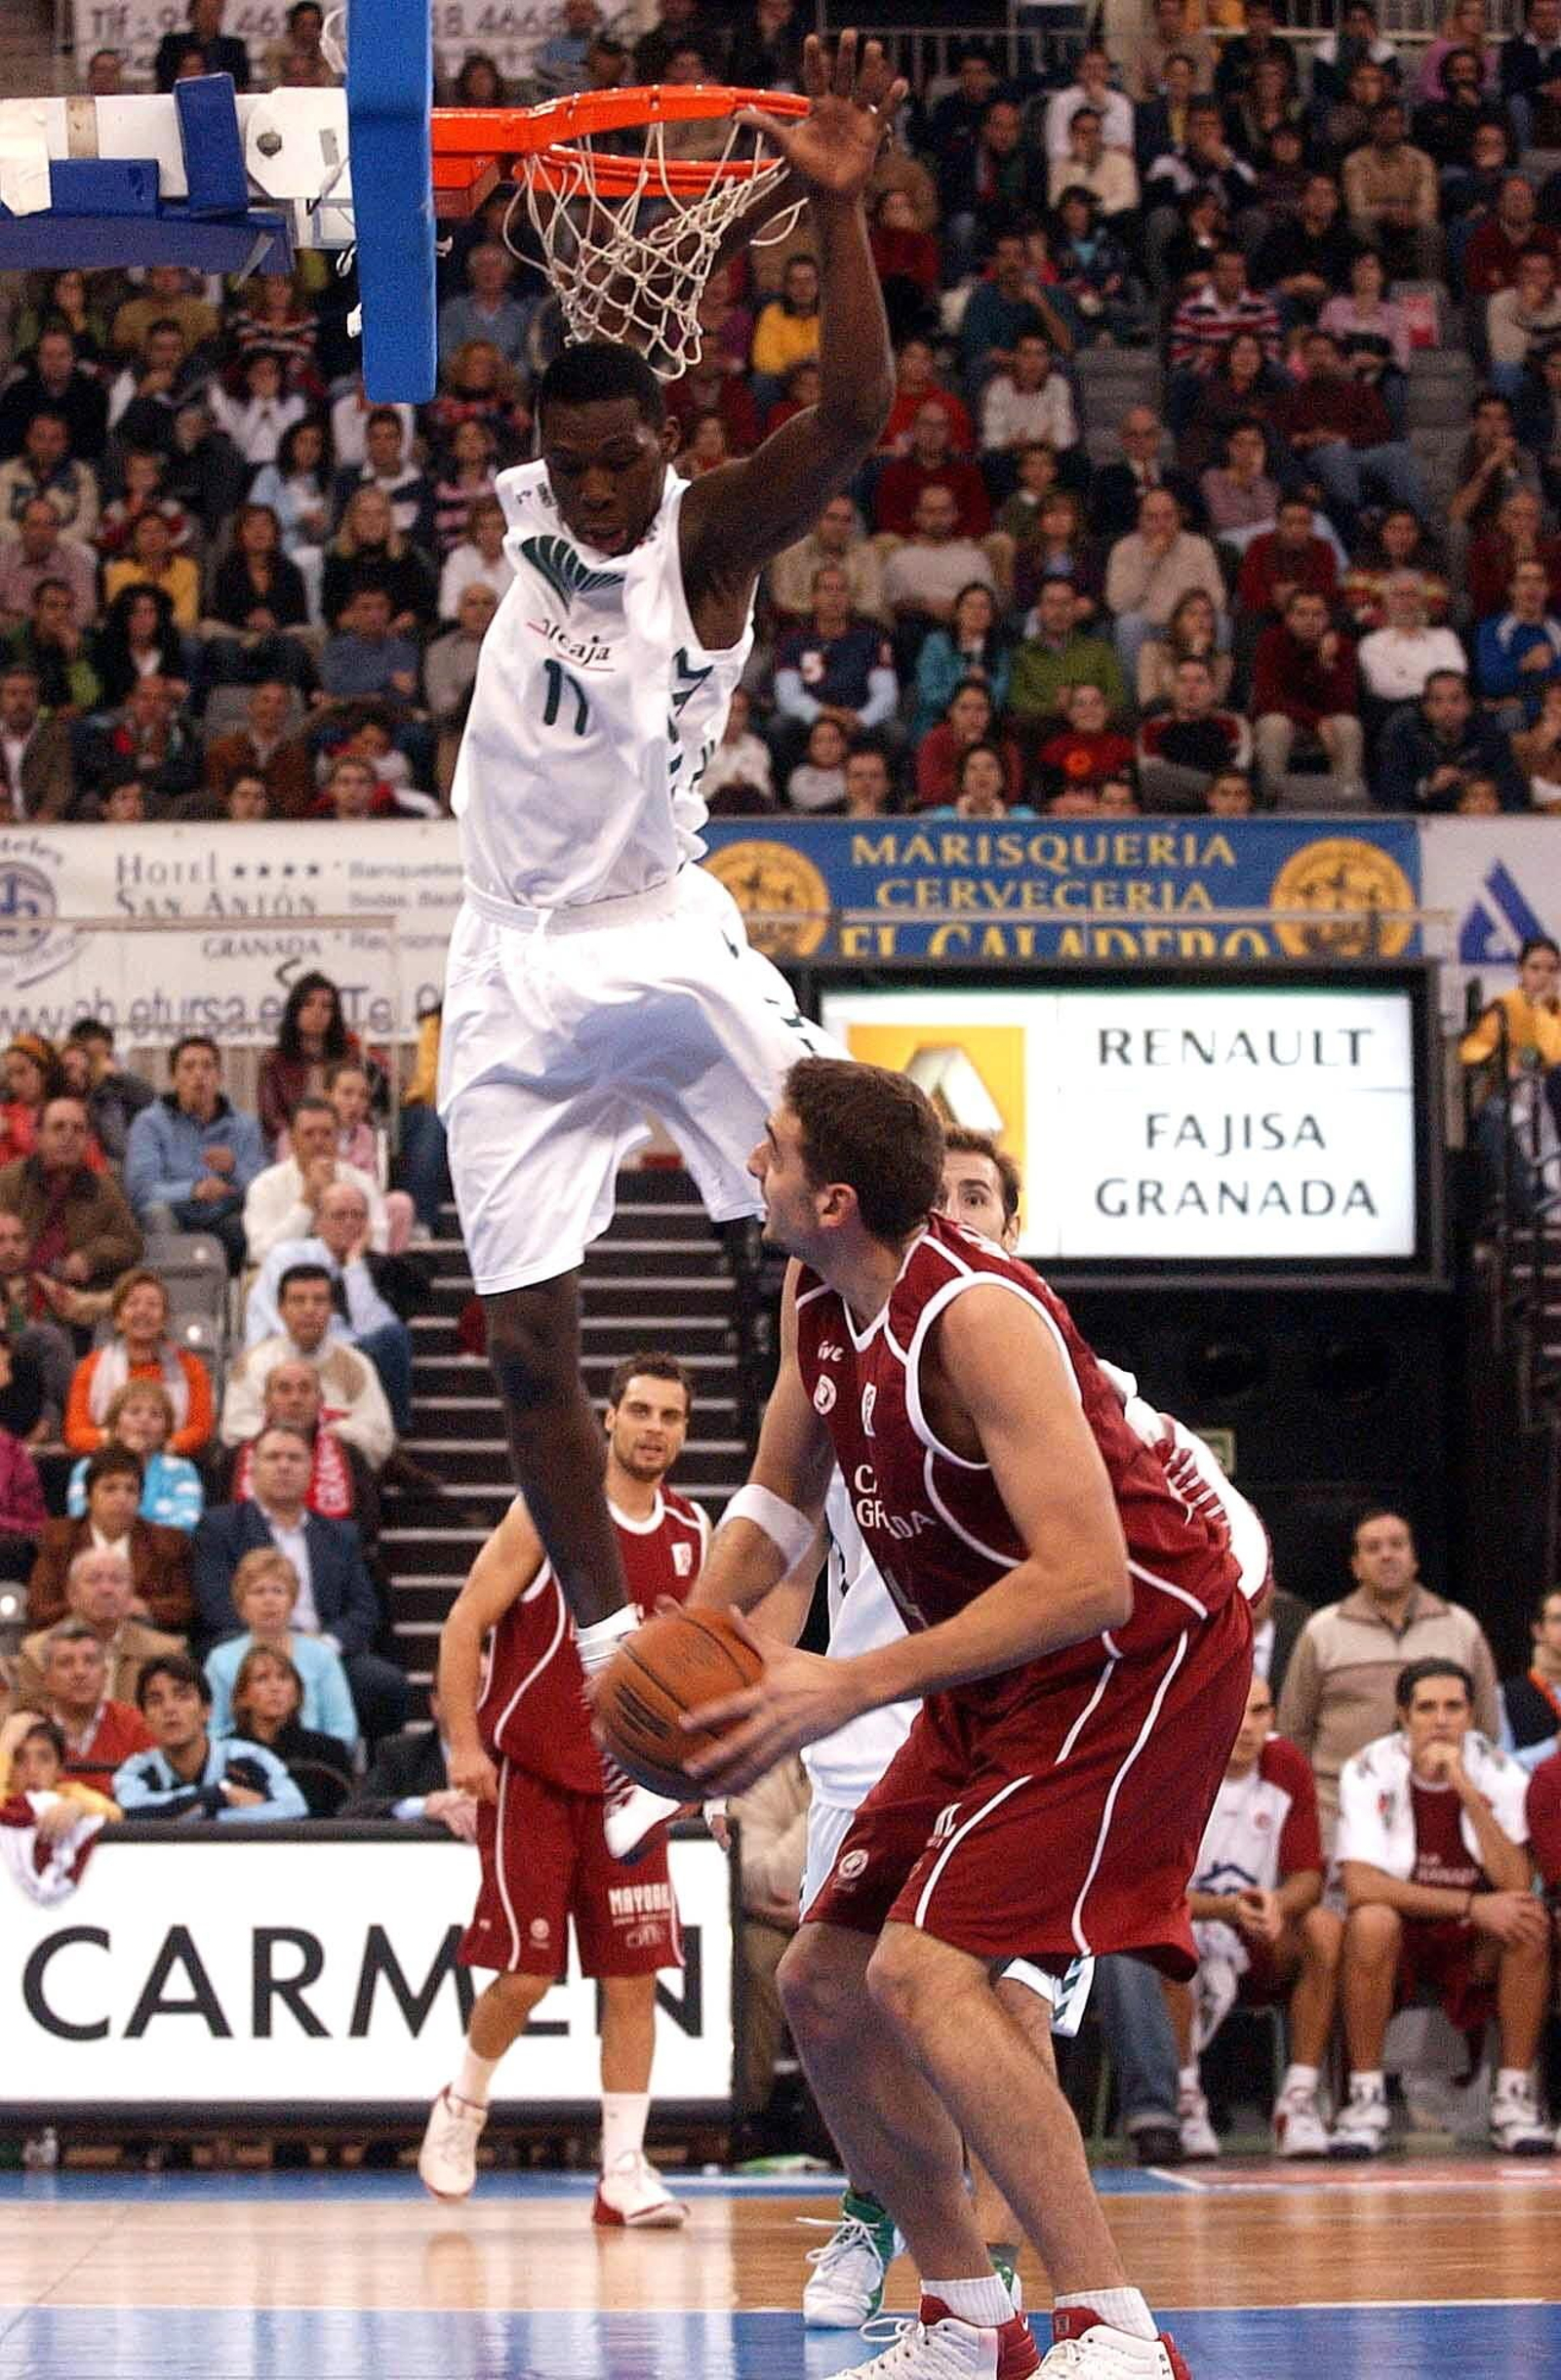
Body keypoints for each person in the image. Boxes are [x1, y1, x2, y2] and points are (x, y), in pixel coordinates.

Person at [436, 35, 908, 1784]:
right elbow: (557, 366)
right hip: (504, 950)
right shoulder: (545, 503)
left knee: (854, 1184)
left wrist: (838, 214)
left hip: (652, 932)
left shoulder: (702, 535)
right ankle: (607, 1640)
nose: (597, 489)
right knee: (523, 1346)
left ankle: (934, 1478)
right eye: (573, 464)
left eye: (623, 459)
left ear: (669, 443)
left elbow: (850, 421)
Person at [673, 1057, 1251, 2380]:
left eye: (772, 1149)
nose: (751, 1164)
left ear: (833, 1196)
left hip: (1133, 1656)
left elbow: (1092, 1578)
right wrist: (686, 1646)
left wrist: (849, 1678)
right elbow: (777, 1497)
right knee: (822, 1981)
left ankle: (1112, 2327)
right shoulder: (815, 1294)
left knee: (926, 1972)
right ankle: (967, 2318)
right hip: (996, 1664)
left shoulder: (977, 1316)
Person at [417, 1353, 710, 2221]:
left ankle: (623, 2170)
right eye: (642, 1410)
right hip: (535, 1775)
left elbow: (695, 1667)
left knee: (636, 1978)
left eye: (671, 1415)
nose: (655, 1427)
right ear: (608, 1418)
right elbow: (464, 1622)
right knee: (523, 1973)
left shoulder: (693, 1528)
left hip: (630, 1788)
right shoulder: (550, 1508)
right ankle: (463, 2104)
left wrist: (702, 1771)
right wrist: (463, 1744)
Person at [1331, 1658, 1552, 2158]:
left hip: (1470, 1941)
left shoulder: (1498, 1770)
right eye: (1427, 1708)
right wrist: (1472, 1903)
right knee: (1370, 1922)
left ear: (1471, 1714)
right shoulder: (1367, 1769)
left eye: (1453, 1707)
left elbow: (1517, 1881)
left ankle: (1514, 2100)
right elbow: (1362, 1885)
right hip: (1402, 1933)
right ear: (1403, 1714)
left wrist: (1466, 1789)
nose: (1441, 1720)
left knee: (1529, 1921)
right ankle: (1365, 2100)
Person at [1164, 1672, 1336, 2161]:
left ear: (1273, 1716)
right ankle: (1186, 2098)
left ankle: (1298, 2101)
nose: (1247, 1726)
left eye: (1259, 1712)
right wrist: (1225, 1909)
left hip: (1260, 1931)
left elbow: (1308, 1877)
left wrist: (1276, 1904)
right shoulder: (1178, 1766)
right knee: (1164, 1942)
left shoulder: (1287, 1764)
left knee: (1324, 1928)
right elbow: (1153, 1890)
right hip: (1189, 1924)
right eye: (1237, 1711)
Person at [1277, 1509, 1501, 1842]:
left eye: (1397, 1545)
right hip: (1340, 1809)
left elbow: (1485, 1726)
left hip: (1443, 1808)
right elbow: (1294, 1729)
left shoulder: (1460, 1627)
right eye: (1373, 1548)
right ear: (1356, 1565)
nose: (1387, 1555)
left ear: (1414, 1559)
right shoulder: (1322, 1631)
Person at [195, 1423, 407, 1741]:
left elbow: (364, 1609)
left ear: (311, 1470)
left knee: (385, 1684)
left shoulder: (340, 1534)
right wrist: (269, 1639)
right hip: (249, 1643)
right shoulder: (220, 1526)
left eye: (294, 1458)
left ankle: (375, 1768)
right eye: (273, 1457)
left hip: (325, 1648)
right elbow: (215, 1603)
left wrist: (324, 1645)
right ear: (253, 1469)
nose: (284, 1466)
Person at [245, 1192, 414, 1435]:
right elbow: (279, 1318)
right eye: (339, 1215)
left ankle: (393, 1438)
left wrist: (353, 1263)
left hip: (345, 1352)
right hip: (288, 1349)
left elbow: (375, 1328)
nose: (350, 1223)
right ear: (317, 1223)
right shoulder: (288, 1255)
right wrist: (317, 1347)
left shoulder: (371, 1263)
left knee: (392, 1338)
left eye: (358, 1216)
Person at [221, 1269, 395, 1473]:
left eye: (319, 1301)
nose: (309, 1309)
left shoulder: (356, 1365)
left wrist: (328, 1435)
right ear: (281, 1309)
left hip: (338, 1471)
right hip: (268, 1473)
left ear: (332, 1309)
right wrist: (289, 1439)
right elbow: (234, 1430)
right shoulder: (253, 1363)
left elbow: (380, 1436)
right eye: (298, 1300)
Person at [124, 1036, 267, 1273]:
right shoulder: (149, 1123)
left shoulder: (245, 1125)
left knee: (248, 1223)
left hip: (224, 1218)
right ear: (173, 1078)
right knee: (156, 1212)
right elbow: (141, 1191)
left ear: (220, 1077)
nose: (199, 1075)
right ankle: (171, 1288)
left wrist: (234, 1169)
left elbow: (262, 1190)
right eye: (188, 1067)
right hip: (173, 1215)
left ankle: (236, 1292)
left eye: (207, 1066)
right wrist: (193, 1190)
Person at [114, 1654, 308, 1823]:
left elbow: (294, 1807)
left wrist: (210, 1816)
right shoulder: (135, 1771)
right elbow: (128, 1812)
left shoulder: (251, 1758)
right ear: (145, 1720)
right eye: (156, 1701)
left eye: (182, 1696)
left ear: (206, 1711)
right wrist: (218, 1795)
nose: (169, 1708)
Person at [204, 1545, 358, 1751]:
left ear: (292, 1601)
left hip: (310, 1759)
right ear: (241, 1604)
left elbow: (344, 1730)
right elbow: (211, 1732)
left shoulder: (322, 1656)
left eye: (278, 1591)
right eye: (258, 1591)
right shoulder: (220, 1660)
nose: (269, 1600)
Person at [29, 1442, 194, 1634]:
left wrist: (144, 1607)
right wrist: (89, 1607)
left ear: (140, 1498)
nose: (122, 1498)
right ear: (88, 1497)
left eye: (131, 1490)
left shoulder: (168, 1540)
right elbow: (39, 1609)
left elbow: (186, 1608)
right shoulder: (59, 1537)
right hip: (72, 1637)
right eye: (110, 1489)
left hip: (143, 1638)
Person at [63, 1267, 214, 1458]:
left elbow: (200, 1429)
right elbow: (76, 1434)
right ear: (117, 1319)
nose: (142, 1311)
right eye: (132, 1304)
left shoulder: (190, 1367)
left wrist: (158, 1447)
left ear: (164, 1319)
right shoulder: (91, 1366)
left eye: (152, 1304)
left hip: (171, 1459)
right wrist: (121, 1444)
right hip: (109, 1461)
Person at [0, 1097, 140, 1292]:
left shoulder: (104, 1189)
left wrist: (89, 1257)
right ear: (38, 1136)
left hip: (79, 1296)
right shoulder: (9, 1181)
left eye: (78, 1129)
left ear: (88, 1140)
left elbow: (130, 1242)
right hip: (13, 1293)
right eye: (58, 1127)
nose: (69, 1136)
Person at [18, 1616, 155, 1795]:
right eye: (66, 1663)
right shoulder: (26, 1731)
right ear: (46, 1679)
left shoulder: (135, 1726)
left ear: (105, 1675)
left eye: (90, 1661)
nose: (80, 1672)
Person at [244, 1095, 388, 1264]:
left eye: (327, 1133)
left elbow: (380, 1244)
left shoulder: (362, 1182)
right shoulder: (265, 1186)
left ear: (338, 1138)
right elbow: (261, 1253)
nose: (318, 1142)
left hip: (348, 1269)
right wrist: (307, 1202)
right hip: (287, 1272)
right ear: (292, 1139)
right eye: (308, 1134)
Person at [225, 1641, 354, 1818]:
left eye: (283, 1678)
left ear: (297, 1695)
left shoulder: (329, 1752)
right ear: (243, 1697)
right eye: (262, 1678)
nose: (275, 1688)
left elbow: (348, 1816)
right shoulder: (225, 1755)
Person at [65, 1379, 203, 1534]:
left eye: (155, 1415)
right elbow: (80, 1518)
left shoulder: (182, 1470)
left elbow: (187, 1522)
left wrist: (135, 1540)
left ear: (166, 1429)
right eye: (134, 1412)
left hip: (163, 1547)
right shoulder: (88, 1466)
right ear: (115, 1424)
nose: (144, 1420)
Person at [1501, 1587, 1561, 1771]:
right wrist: (1554, 1746)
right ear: (1538, 1631)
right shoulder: (1505, 1695)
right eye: (1558, 1619)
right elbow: (1500, 1768)